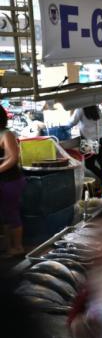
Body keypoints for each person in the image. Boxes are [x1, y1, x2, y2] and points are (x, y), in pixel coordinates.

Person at [0, 106, 26, 258]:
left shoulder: (6, 134)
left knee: (11, 213)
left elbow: (13, 157)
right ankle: (8, 247)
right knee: (4, 214)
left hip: (10, 180)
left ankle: (18, 248)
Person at [68, 105, 102, 180]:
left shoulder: (80, 109)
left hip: (90, 140)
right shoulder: (95, 107)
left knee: (89, 164)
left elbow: (71, 123)